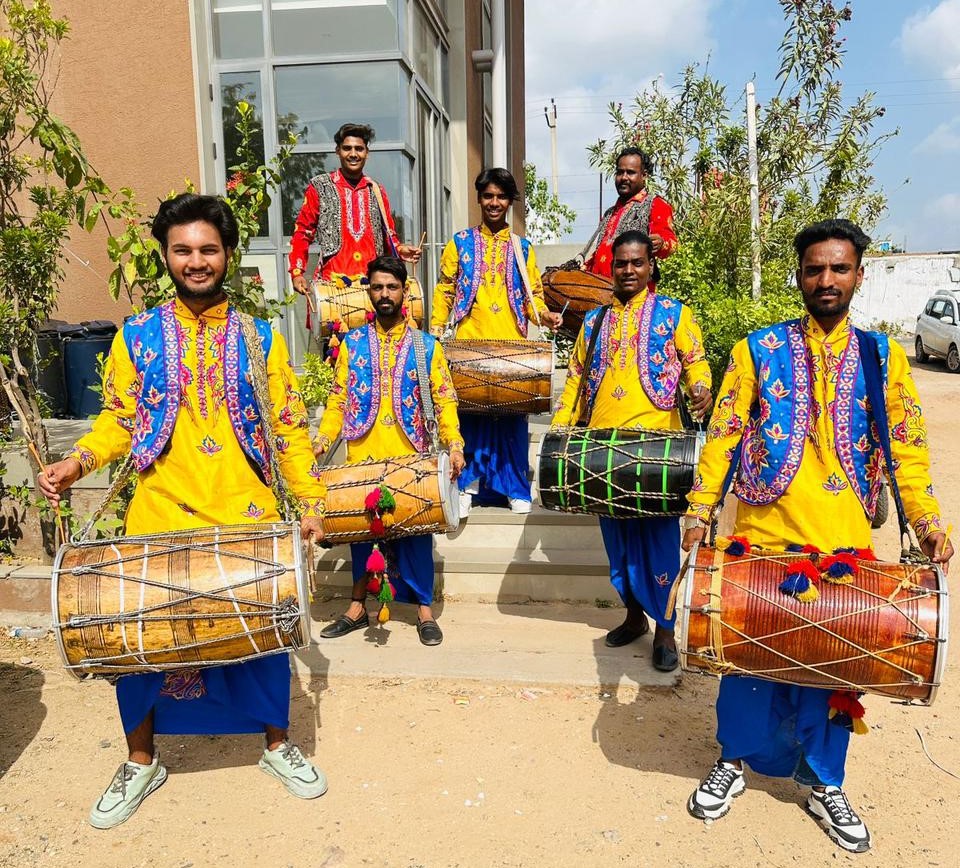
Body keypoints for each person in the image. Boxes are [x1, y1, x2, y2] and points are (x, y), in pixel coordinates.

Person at [38, 194, 329, 829]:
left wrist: (308, 501)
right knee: (136, 640)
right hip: (160, 511)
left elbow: (287, 426)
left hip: (243, 510)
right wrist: (77, 463)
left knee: (265, 640)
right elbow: (117, 422)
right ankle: (141, 759)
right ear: (166, 255)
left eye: (208, 249)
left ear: (227, 255)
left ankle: (277, 747)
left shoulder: (259, 336)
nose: (196, 261)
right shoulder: (136, 336)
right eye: (183, 250)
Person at [683, 218, 954, 853]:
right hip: (763, 537)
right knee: (745, 663)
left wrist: (928, 521)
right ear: (798, 275)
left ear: (859, 274)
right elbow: (722, 436)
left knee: (837, 667)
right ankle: (734, 763)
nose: (825, 279)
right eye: (813, 268)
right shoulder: (756, 349)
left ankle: (826, 782)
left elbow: (908, 450)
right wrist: (699, 510)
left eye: (838, 268)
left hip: (842, 543)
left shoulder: (882, 357)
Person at [551, 230, 712, 670]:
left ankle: (665, 629)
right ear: (611, 267)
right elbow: (576, 377)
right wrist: (562, 428)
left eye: (636, 263)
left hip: (659, 452)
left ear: (650, 266)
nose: (627, 270)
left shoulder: (675, 314)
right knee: (617, 544)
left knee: (658, 545)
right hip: (602, 448)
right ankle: (633, 616)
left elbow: (696, 361)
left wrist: (700, 388)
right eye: (620, 263)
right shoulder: (595, 321)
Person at [315, 255, 465, 645]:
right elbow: (337, 400)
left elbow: (445, 399)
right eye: (377, 287)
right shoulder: (353, 343)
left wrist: (455, 443)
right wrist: (320, 441)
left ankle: (424, 611)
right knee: (361, 534)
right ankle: (357, 607)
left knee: (417, 535)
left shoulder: (425, 345)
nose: (384, 294)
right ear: (369, 292)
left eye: (392, 287)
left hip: (410, 456)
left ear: (405, 292)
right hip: (362, 455)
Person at [430, 167, 562, 515]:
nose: (494, 202)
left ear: (510, 202)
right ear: (478, 199)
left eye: (501, 196)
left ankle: (515, 488)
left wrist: (545, 316)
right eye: (488, 196)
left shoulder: (522, 248)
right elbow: (444, 289)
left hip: (511, 345)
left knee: (511, 419)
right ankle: (468, 487)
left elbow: (534, 296)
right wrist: (434, 330)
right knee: (470, 416)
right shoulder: (459, 242)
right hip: (469, 342)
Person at [288, 122, 421, 295]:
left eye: (359, 149)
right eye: (347, 148)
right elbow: (302, 233)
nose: (353, 154)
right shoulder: (320, 187)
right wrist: (297, 273)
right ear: (338, 151)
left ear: (367, 153)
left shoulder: (376, 191)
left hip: (373, 290)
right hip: (332, 289)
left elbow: (389, 237)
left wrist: (401, 249)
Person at [582, 147, 676, 282]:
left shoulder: (656, 204)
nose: (624, 177)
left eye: (630, 173)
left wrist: (661, 243)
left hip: (634, 295)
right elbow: (599, 254)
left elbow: (671, 243)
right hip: (600, 293)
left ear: (644, 176)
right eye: (620, 172)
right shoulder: (610, 213)